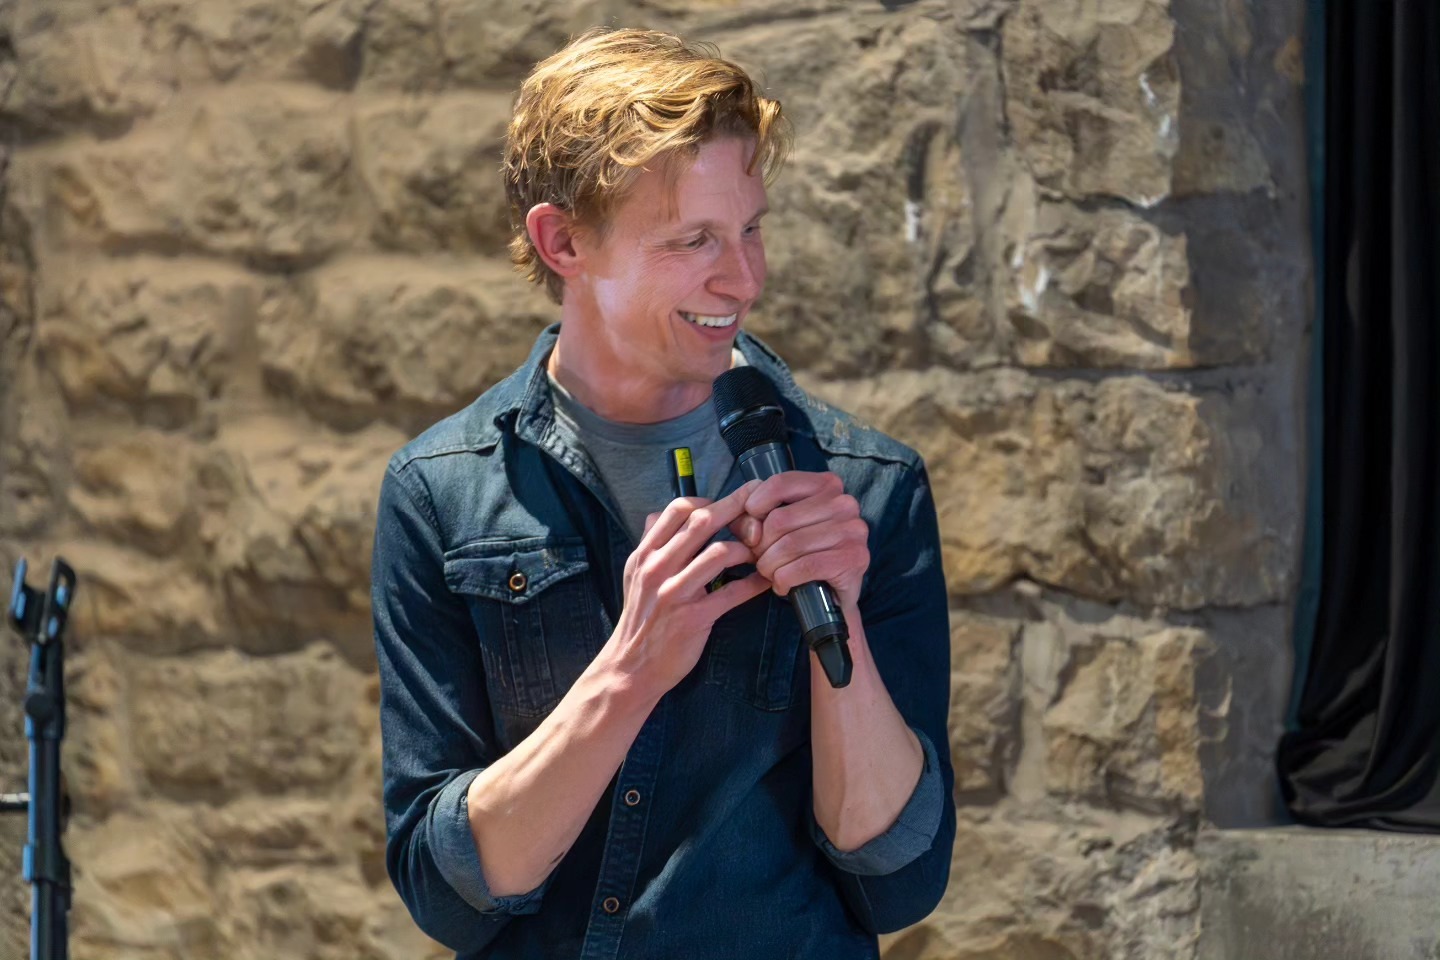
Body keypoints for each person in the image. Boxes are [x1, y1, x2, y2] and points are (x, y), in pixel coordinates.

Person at [371, 27, 956, 960]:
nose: (745, 276)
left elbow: (898, 880)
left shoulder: (863, 487)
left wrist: (835, 611)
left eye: (752, 227)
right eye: (694, 240)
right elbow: (449, 894)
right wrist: (631, 670)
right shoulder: (443, 493)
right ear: (563, 240)